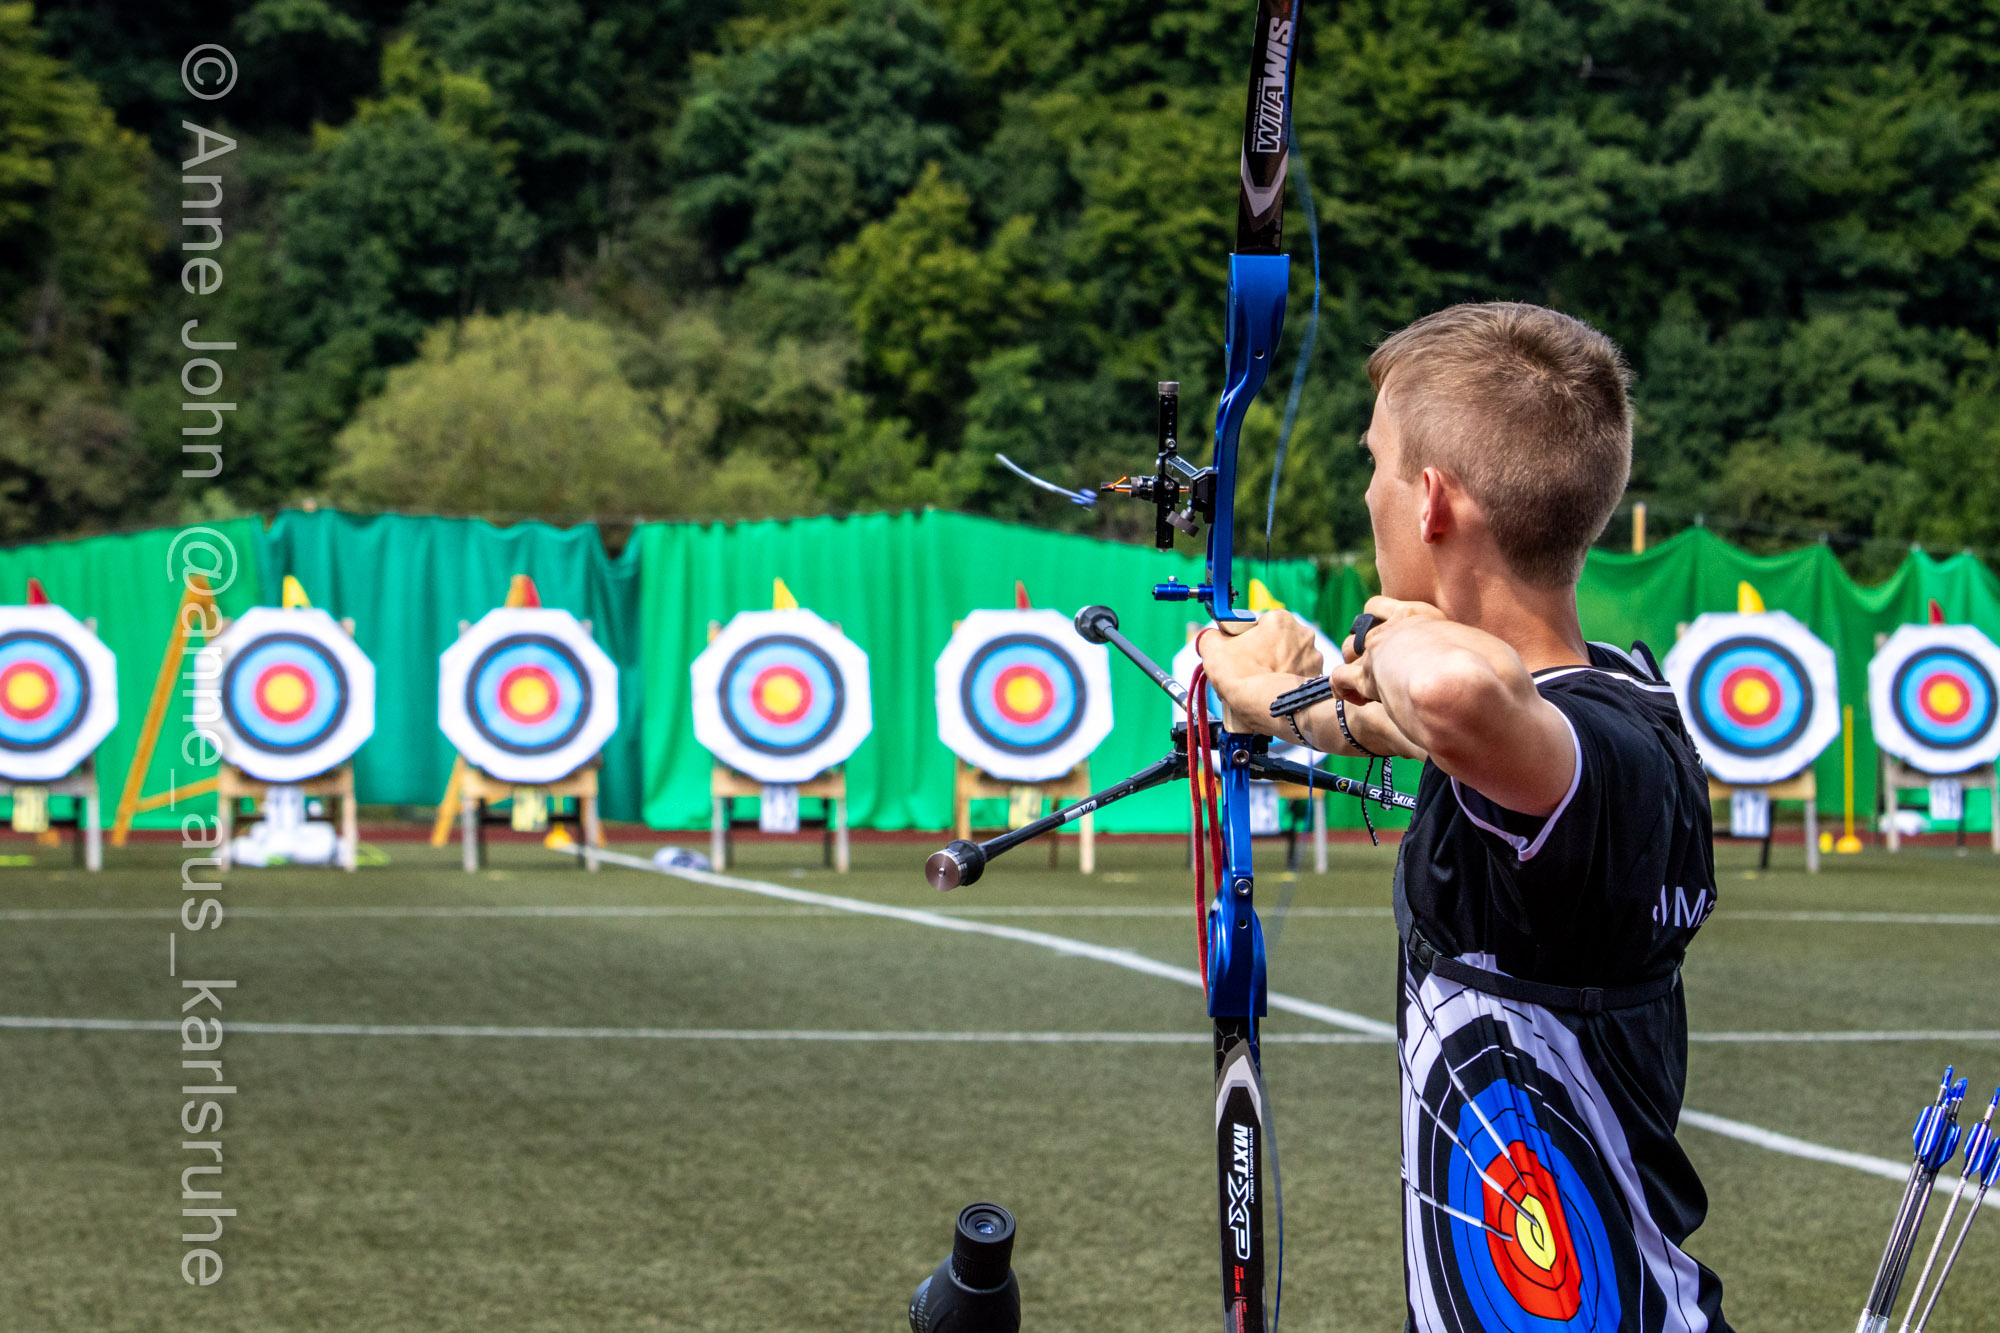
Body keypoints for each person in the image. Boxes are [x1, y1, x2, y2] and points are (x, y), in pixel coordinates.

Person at [1198, 302, 1730, 1332]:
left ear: (1432, 501)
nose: (1367, 490)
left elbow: (1445, 693)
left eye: (1376, 463)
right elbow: (1388, 723)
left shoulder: (1591, 758)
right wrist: (1261, 692)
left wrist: (1388, 631)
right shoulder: (1598, 701)